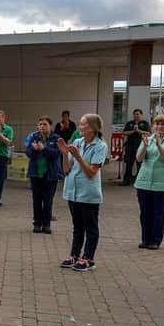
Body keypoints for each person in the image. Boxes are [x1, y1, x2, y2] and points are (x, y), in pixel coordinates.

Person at [58, 114, 108, 271]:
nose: (80, 127)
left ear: (93, 128)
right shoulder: (77, 142)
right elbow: (66, 170)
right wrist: (65, 154)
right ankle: (74, 254)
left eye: (83, 124)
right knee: (77, 226)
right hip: (73, 191)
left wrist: (78, 157)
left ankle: (89, 258)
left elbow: (92, 172)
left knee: (90, 227)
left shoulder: (100, 146)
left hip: (88, 194)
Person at [134, 114, 164, 250]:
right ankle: (145, 239)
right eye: (158, 124)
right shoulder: (147, 139)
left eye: (163, 123)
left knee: (158, 213)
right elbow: (139, 158)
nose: (160, 126)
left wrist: (159, 145)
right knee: (145, 212)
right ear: (153, 126)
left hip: (162, 184)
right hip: (144, 182)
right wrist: (144, 146)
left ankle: (155, 240)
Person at [26, 116, 63, 234]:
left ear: (50, 126)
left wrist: (44, 148)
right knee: (36, 200)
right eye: (40, 124)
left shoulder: (56, 138)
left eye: (45, 124)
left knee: (47, 201)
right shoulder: (34, 137)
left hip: (50, 174)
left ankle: (46, 224)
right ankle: (37, 223)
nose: (42, 126)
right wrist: (33, 149)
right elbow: (28, 153)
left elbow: (57, 154)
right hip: (36, 173)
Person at [121, 109, 151, 185]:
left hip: (140, 146)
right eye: (134, 114)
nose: (136, 115)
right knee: (128, 164)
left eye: (137, 114)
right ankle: (126, 180)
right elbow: (124, 132)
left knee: (140, 164)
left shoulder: (145, 123)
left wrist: (139, 131)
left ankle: (139, 181)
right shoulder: (130, 123)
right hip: (130, 146)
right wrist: (133, 131)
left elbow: (148, 133)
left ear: (141, 115)